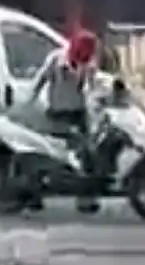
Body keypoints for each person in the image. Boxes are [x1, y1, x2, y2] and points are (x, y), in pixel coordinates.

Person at [31, 29, 99, 170]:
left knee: (84, 146)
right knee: (62, 148)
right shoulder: (57, 59)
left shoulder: (88, 65)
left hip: (78, 112)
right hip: (58, 112)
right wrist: (32, 99)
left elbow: (90, 88)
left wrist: (85, 73)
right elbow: (41, 79)